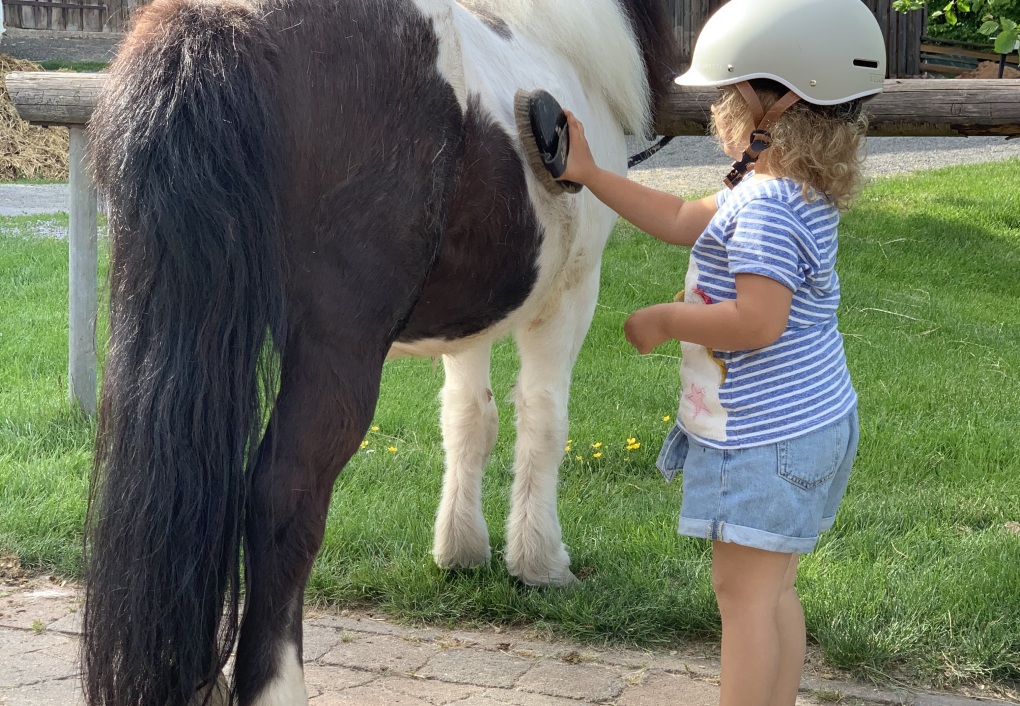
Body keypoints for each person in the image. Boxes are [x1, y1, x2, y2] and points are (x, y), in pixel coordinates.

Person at [555, 0, 886, 704]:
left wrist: (668, 320)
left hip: (766, 438)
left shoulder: (766, 206)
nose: (720, 109)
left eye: (729, 93)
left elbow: (759, 322)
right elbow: (680, 220)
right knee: (771, 591)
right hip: (812, 422)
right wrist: (589, 171)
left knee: (741, 599)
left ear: (779, 103)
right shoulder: (786, 188)